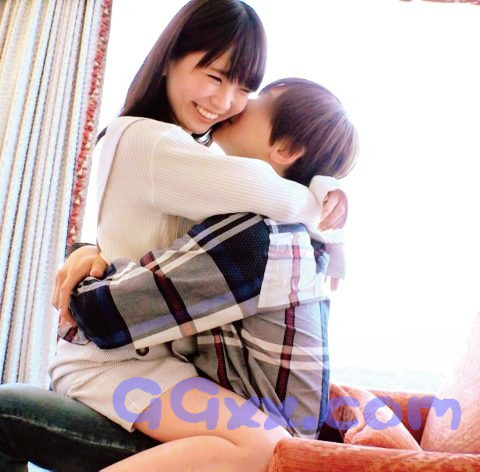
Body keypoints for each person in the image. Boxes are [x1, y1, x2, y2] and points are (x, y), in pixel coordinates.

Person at [0, 0, 349, 470]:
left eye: (243, 88)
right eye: (215, 76)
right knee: (260, 445)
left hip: (154, 365)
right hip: (117, 366)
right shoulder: (153, 142)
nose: (225, 102)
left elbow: (260, 189)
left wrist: (89, 249)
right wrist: (323, 201)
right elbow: (271, 192)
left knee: (266, 441)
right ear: (169, 59)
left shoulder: (177, 151)